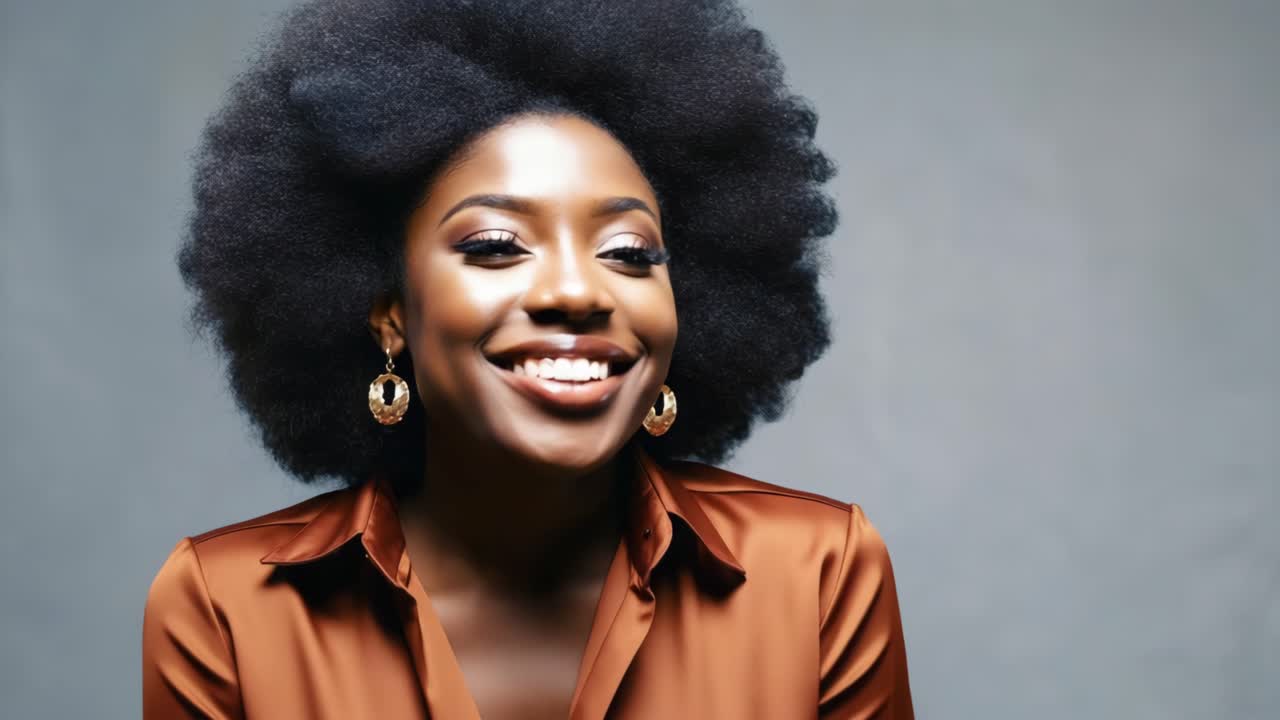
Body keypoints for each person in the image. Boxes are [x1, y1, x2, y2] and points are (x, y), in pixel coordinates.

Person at [143, 0, 915, 717]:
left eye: (629, 252)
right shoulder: (226, 609)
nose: (579, 292)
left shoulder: (819, 576)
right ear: (389, 317)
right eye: (495, 246)